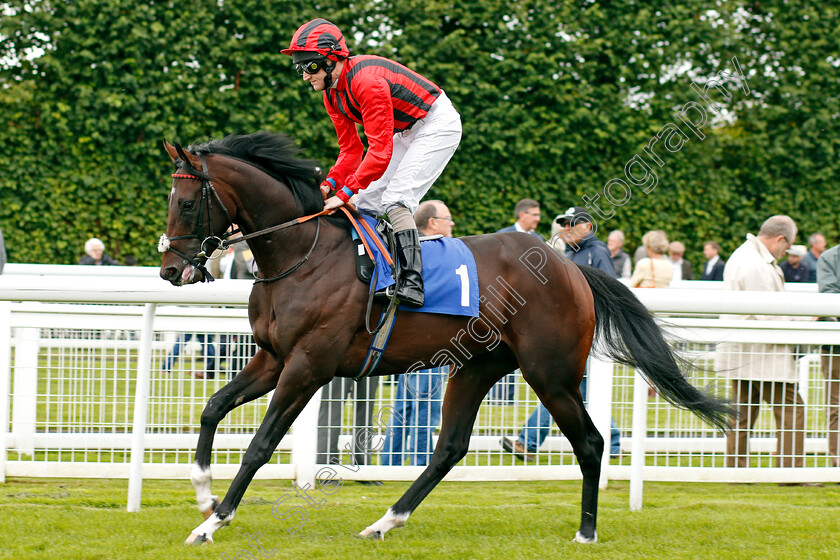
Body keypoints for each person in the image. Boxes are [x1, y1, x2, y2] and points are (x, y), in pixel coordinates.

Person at [282, 18, 462, 309]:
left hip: (436, 124)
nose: (305, 76)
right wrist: (328, 186)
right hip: (405, 131)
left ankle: (413, 283)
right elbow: (350, 152)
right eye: (300, 68)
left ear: (331, 60)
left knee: (396, 198)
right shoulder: (331, 94)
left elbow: (379, 152)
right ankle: (381, 275)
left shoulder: (366, 82)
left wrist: (344, 193)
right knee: (363, 203)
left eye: (310, 66)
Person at [501, 206, 621, 460]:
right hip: (572, 335)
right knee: (577, 388)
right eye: (564, 224)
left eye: (572, 224)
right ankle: (614, 442)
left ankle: (527, 441)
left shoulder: (596, 252)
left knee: (561, 387)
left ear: (587, 226)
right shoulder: (570, 253)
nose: (565, 229)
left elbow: (609, 293)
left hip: (588, 335)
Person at [715, 216, 813, 477]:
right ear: (780, 239)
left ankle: (736, 471)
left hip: (745, 351)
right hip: (762, 354)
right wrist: (808, 317)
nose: (786, 252)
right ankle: (791, 472)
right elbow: (771, 315)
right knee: (792, 409)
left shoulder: (745, 256)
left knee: (743, 412)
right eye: (787, 246)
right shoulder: (755, 264)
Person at [380, 200, 452, 466]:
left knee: (404, 406)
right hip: (430, 338)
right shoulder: (433, 249)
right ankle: (421, 464)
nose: (451, 224)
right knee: (426, 407)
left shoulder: (407, 246)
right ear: (432, 222)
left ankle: (391, 464)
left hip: (406, 337)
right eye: (448, 219)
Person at [490, 199, 543, 404]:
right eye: (535, 214)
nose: (538, 219)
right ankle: (498, 397)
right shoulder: (502, 236)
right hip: (503, 303)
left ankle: (510, 398)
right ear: (522, 215)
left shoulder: (538, 240)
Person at [817, 243, 840, 468]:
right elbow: (830, 293)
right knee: (836, 408)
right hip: (836, 345)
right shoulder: (830, 257)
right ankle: (837, 462)